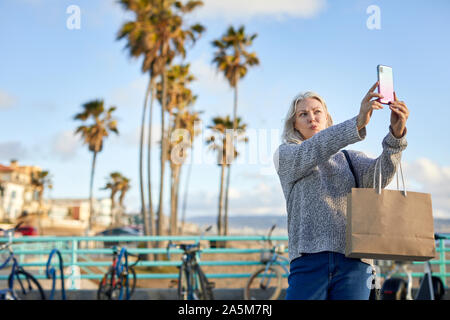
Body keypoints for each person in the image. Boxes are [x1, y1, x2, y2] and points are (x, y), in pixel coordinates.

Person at [273, 81, 409, 300]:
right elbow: (315, 148)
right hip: (307, 261)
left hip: (355, 264)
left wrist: (396, 134)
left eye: (318, 112)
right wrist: (356, 123)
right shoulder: (286, 156)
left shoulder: (351, 158)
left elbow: (380, 176)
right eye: (303, 114)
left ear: (327, 118)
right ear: (295, 125)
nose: (312, 118)